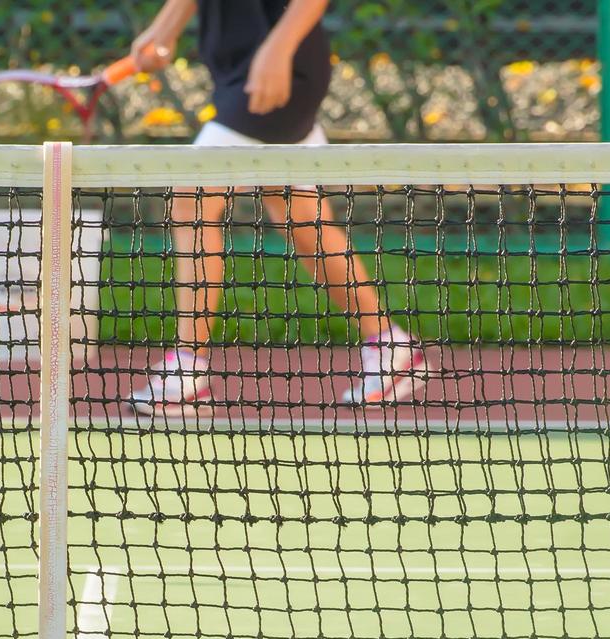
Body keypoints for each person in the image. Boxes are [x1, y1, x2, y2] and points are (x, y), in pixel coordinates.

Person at [127, 0, 427, 413]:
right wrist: (165, 28)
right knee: (300, 218)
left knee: (191, 198)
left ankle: (188, 368)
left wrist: (280, 46)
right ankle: (391, 346)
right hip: (241, 64)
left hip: (278, 65)